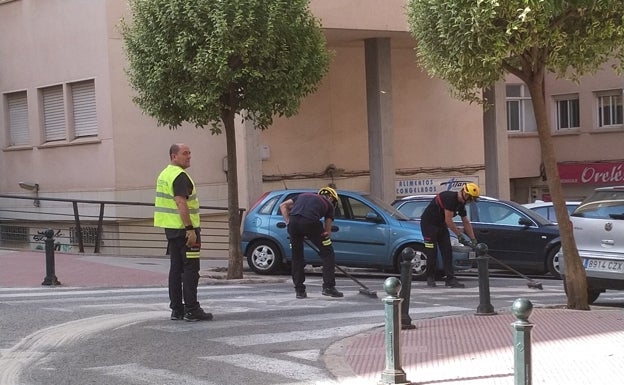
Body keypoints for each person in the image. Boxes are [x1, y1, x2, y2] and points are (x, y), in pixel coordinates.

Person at [154, 143, 213, 321]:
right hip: (185, 231)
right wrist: (190, 229)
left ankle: (177, 309)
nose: (189, 156)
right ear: (174, 156)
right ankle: (192, 309)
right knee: (190, 270)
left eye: (189, 153)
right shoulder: (180, 176)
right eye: (185, 153)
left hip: (171, 230)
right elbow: (181, 203)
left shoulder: (164, 174)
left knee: (176, 269)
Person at [279, 187, 344, 299]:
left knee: (297, 257)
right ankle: (328, 287)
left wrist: (289, 223)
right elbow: (327, 232)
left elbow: (283, 206)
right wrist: (323, 244)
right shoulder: (329, 204)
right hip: (311, 222)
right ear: (330, 197)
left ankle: (299, 291)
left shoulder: (303, 195)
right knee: (328, 253)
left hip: (293, 223)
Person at [420, 182, 479, 288]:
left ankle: (450, 279)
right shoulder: (450, 198)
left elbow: (466, 222)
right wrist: (459, 235)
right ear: (466, 195)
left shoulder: (461, 205)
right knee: (432, 252)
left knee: (447, 251)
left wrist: (473, 239)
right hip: (428, 225)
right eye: (471, 199)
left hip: (441, 226)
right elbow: (448, 219)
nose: (471, 202)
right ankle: (430, 278)